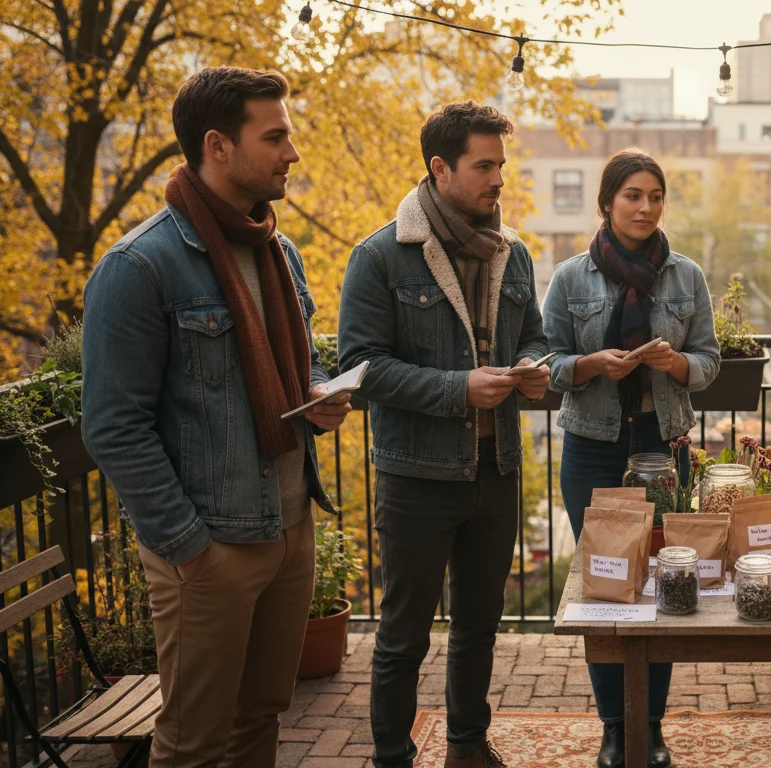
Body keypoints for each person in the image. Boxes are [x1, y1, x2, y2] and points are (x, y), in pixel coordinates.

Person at [81, 67, 352, 767]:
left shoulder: (278, 249)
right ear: (218, 146)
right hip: (211, 548)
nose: (291, 152)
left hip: (289, 528)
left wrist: (321, 392)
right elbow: (113, 424)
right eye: (276, 137)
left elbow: (303, 362)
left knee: (262, 716)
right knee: (194, 741)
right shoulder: (139, 266)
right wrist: (190, 548)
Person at [338, 101, 549, 768]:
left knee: (479, 628)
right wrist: (458, 388)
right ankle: (391, 757)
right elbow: (360, 370)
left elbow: (537, 339)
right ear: (440, 169)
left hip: (498, 470)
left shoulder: (513, 251)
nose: (498, 180)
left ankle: (466, 745)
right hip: (416, 479)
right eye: (484, 166)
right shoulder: (378, 256)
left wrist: (537, 372)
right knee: (403, 637)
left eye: (501, 166)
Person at [543, 149, 720, 768]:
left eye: (655, 196)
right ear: (607, 203)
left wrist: (677, 365)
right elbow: (548, 367)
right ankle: (615, 727)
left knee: (667, 583)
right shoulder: (570, 279)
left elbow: (709, 361)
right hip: (593, 450)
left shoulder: (686, 275)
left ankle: (652, 725)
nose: (645, 207)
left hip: (663, 447)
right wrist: (591, 365)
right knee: (608, 591)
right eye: (633, 196)